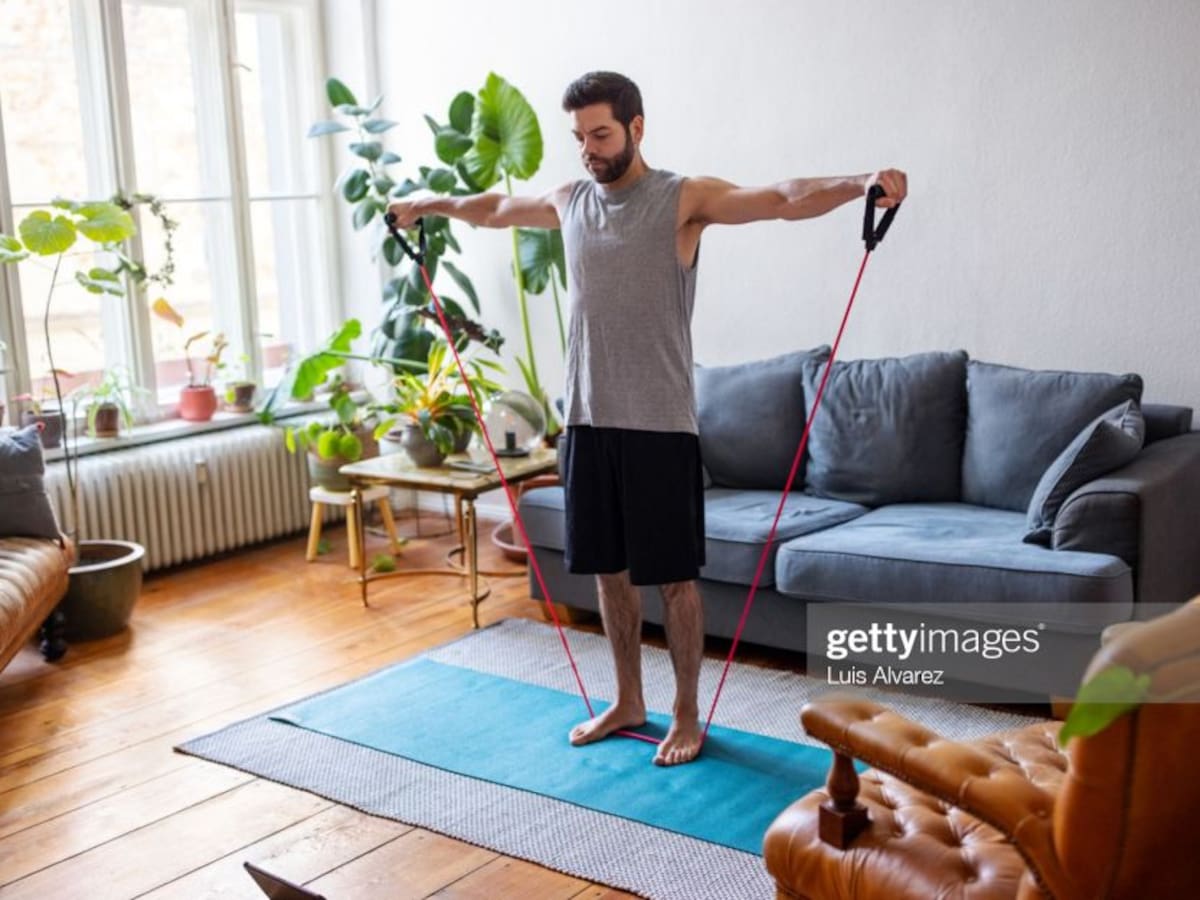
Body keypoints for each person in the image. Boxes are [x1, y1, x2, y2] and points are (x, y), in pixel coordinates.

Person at [388, 71, 907, 766]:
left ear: (636, 126)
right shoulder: (570, 200)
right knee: (607, 572)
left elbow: (782, 199)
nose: (588, 150)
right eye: (579, 137)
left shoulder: (680, 199)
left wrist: (860, 182)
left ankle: (687, 712)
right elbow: (493, 207)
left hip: (660, 426)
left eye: (600, 134)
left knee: (673, 579)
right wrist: (428, 203)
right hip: (587, 424)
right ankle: (628, 699)